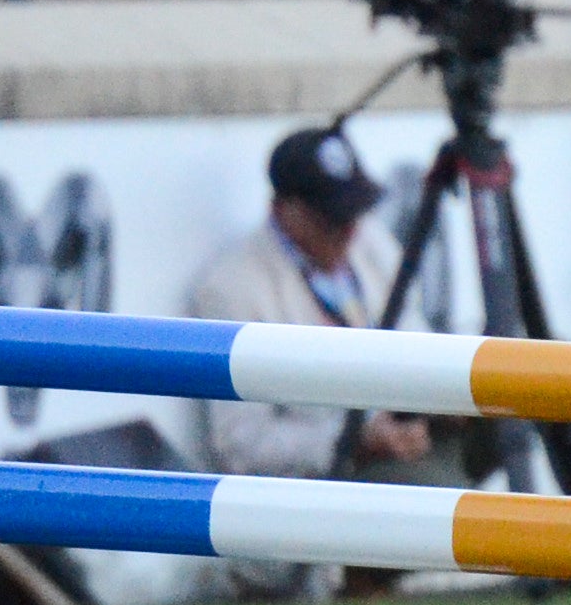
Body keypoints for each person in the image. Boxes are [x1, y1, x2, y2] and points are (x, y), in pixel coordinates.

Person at [179, 127, 440, 481]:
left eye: (353, 213)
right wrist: (353, 440)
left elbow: (417, 339)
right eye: (331, 218)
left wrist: (442, 400)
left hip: (409, 442)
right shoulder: (232, 288)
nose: (349, 231)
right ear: (284, 210)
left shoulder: (370, 241)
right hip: (326, 484)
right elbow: (240, 443)